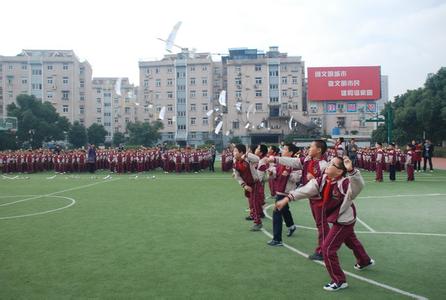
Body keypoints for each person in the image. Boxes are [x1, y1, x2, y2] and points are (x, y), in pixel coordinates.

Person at [275, 156, 374, 292]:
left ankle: (339, 280)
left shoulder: (344, 183)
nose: (328, 164)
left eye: (332, 164)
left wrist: (351, 171)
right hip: (339, 217)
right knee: (351, 241)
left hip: (343, 220)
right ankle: (364, 260)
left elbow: (357, 187)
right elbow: (306, 189)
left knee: (328, 249)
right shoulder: (323, 180)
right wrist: (287, 199)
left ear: (339, 172)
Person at [268, 140, 329, 261]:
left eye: (311, 147)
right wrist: (276, 159)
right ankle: (362, 258)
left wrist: (313, 179)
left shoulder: (323, 165)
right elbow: (295, 162)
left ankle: (323, 250)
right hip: (313, 198)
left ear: (319, 150)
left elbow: (319, 185)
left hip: (320, 199)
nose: (308, 148)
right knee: (322, 225)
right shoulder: (307, 160)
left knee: (322, 225)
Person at [267, 143, 301, 246]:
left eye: (285, 149)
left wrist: (290, 175)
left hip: (287, 191)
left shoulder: (295, 163)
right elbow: (275, 173)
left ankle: (277, 239)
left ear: (291, 152)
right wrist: (271, 173)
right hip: (280, 189)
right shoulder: (280, 162)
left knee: (277, 212)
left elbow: (298, 177)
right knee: (284, 209)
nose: (282, 151)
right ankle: (291, 226)